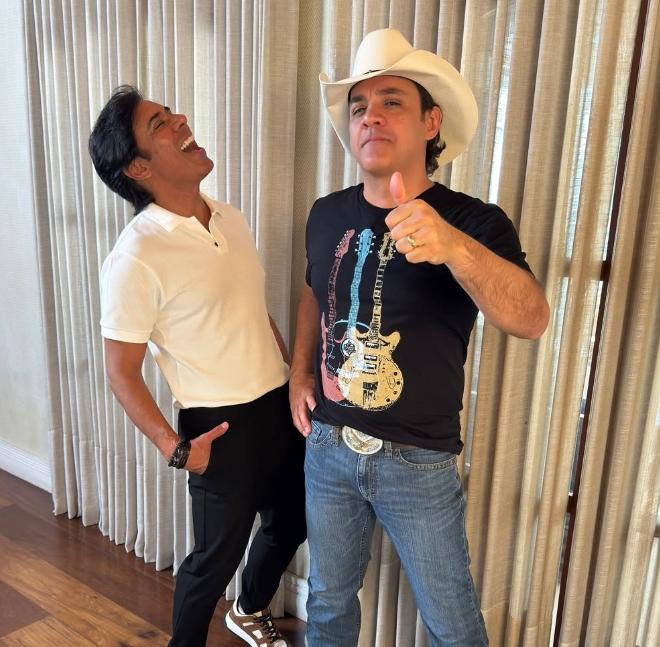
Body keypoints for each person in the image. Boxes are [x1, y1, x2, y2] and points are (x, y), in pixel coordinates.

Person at [289, 29, 549, 646]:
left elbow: (531, 317)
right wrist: (299, 372)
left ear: (431, 123)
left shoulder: (472, 220)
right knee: (326, 604)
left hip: (418, 460)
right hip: (328, 445)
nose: (370, 116)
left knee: (453, 627)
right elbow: (314, 292)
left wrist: (453, 246)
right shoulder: (326, 212)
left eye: (392, 102)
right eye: (359, 107)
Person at [89, 85, 306, 647]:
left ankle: (250, 609)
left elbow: (252, 309)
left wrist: (290, 374)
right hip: (219, 426)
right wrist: (177, 448)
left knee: (293, 521)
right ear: (138, 167)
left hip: (277, 404)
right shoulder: (135, 257)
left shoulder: (230, 218)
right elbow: (121, 372)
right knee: (213, 561)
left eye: (171, 113)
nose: (180, 119)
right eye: (160, 124)